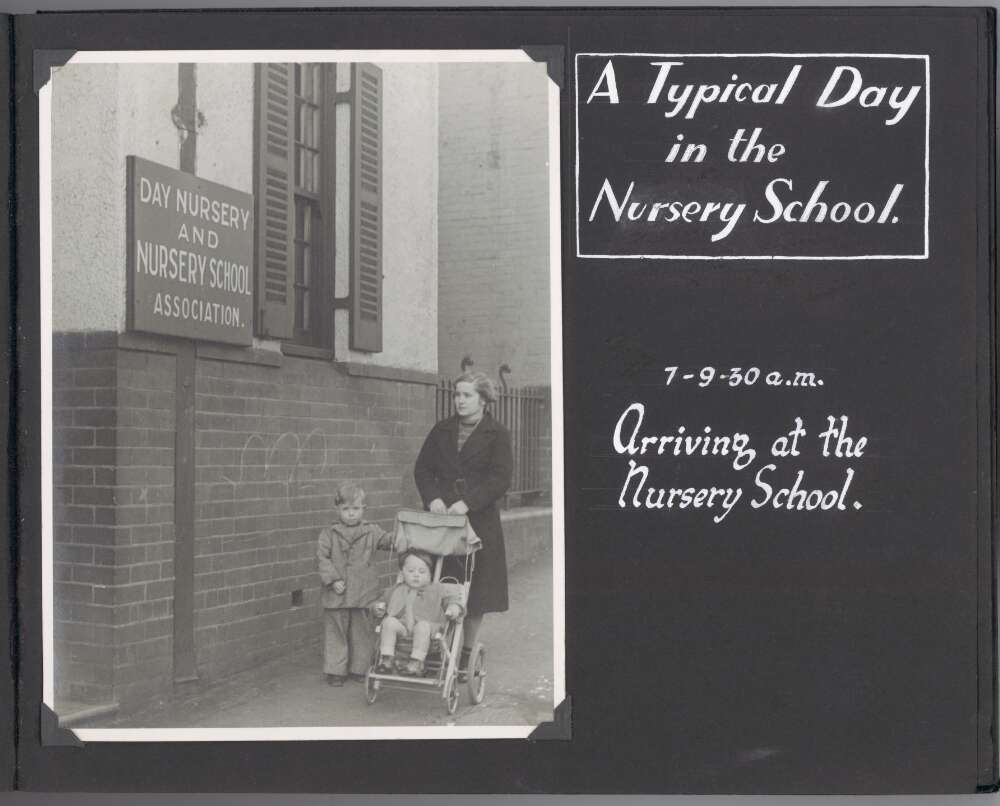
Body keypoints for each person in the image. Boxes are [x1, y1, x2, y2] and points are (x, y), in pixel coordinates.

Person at [414, 370, 513, 663]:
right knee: (439, 581)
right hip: (442, 522)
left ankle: (466, 651)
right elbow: (422, 469)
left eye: (467, 395)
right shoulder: (442, 430)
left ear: (483, 400)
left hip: (478, 523)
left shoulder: (497, 434)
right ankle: (434, 643)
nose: (459, 400)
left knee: (476, 589)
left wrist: (467, 503)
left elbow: (501, 478)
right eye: (457, 394)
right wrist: (432, 498)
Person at [316, 481, 394, 686]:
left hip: (363, 591)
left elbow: (388, 541)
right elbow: (322, 558)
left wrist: (403, 536)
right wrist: (333, 580)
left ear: (363, 509)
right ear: (337, 510)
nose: (351, 514)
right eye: (346, 509)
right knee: (336, 631)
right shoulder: (328, 533)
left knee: (362, 631)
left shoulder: (372, 531)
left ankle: (359, 668)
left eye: (355, 509)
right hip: (337, 593)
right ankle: (335, 671)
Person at [372, 549, 464, 676]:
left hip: (429, 632)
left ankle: (416, 663)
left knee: (422, 626)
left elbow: (451, 599)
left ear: (429, 574)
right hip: (403, 630)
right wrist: (378, 607)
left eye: (422, 572)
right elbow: (381, 601)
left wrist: (454, 607)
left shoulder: (437, 589)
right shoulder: (396, 590)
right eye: (411, 571)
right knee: (389, 622)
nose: (416, 575)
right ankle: (387, 659)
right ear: (402, 573)